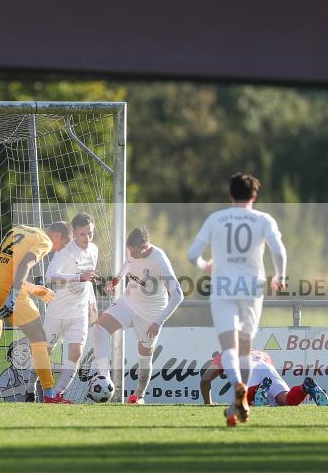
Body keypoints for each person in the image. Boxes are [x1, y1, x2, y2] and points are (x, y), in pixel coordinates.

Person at [187, 173, 287, 426]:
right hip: (252, 287)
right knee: (245, 348)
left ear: (230, 195)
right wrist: (280, 276)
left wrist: (204, 266)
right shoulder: (264, 219)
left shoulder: (216, 219)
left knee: (229, 349)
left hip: (223, 287)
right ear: (254, 196)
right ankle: (238, 398)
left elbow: (192, 255)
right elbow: (278, 250)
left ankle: (237, 389)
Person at [0, 221, 68, 403]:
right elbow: (26, 264)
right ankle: (50, 395)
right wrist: (13, 296)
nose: (59, 249)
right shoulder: (45, 240)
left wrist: (35, 290)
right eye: (63, 245)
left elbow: (8, 270)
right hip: (7, 290)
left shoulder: (19, 229)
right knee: (39, 337)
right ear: (58, 236)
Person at [91, 227, 184, 404]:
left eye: (135, 251)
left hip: (151, 315)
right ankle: (104, 379)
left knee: (144, 357)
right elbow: (128, 263)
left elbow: (178, 294)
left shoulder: (159, 261)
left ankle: (139, 395)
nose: (131, 254)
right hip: (128, 303)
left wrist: (158, 322)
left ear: (146, 246)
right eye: (129, 251)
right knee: (99, 330)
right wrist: (118, 278)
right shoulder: (132, 252)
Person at [44, 212, 99, 401]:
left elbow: (89, 279)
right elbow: (49, 276)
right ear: (74, 233)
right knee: (45, 352)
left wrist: (92, 302)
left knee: (76, 352)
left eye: (90, 233)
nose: (87, 238)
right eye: (83, 234)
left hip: (79, 311)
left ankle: (57, 393)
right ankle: (30, 387)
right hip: (57, 312)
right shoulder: (65, 252)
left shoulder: (94, 250)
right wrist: (77, 277)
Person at [200, 350, 328, 415]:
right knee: (286, 400)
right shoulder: (262, 353)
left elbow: (205, 379)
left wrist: (208, 403)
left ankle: (257, 390)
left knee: (243, 402)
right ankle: (305, 388)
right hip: (266, 367)